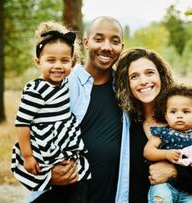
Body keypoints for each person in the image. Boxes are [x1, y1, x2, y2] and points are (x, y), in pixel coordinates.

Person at [37, 16, 130, 203]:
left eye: (115, 41)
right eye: (98, 39)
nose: (106, 46)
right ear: (86, 42)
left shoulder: (126, 90)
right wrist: (46, 174)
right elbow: (27, 143)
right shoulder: (62, 83)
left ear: (122, 47)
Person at [115, 48, 192, 203]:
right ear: (127, 84)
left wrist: (176, 172)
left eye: (149, 73)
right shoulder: (128, 128)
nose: (144, 81)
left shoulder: (186, 118)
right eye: (134, 76)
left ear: (161, 75)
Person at [10, 21, 90, 203]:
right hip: (45, 147)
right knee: (52, 187)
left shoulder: (64, 84)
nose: (58, 66)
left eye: (64, 61)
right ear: (38, 62)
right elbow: (22, 123)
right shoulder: (35, 89)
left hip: (63, 144)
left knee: (79, 181)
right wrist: (28, 156)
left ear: (72, 63)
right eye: (51, 60)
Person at [144, 85, 192, 203]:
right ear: (166, 116)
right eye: (173, 111)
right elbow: (148, 151)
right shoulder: (163, 133)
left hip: (190, 189)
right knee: (162, 199)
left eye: (186, 111)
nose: (179, 115)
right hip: (165, 185)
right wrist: (166, 154)